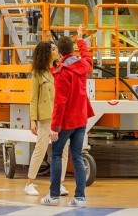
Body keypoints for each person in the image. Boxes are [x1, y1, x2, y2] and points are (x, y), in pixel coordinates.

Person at [42, 25, 94, 208]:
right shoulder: (83, 65)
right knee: (77, 156)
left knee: (56, 155)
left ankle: (54, 195)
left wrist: (55, 127)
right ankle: (80, 198)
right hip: (81, 119)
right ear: (72, 50)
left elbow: (60, 103)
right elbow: (88, 57)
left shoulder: (62, 72)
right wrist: (80, 38)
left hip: (66, 122)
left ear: (60, 52)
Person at [25, 41, 69, 197]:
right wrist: (32, 120)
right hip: (45, 116)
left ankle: (60, 184)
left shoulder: (61, 70)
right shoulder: (38, 73)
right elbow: (33, 98)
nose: (56, 51)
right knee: (41, 148)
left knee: (63, 150)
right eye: (53, 49)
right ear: (46, 52)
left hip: (62, 116)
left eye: (57, 48)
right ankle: (29, 183)